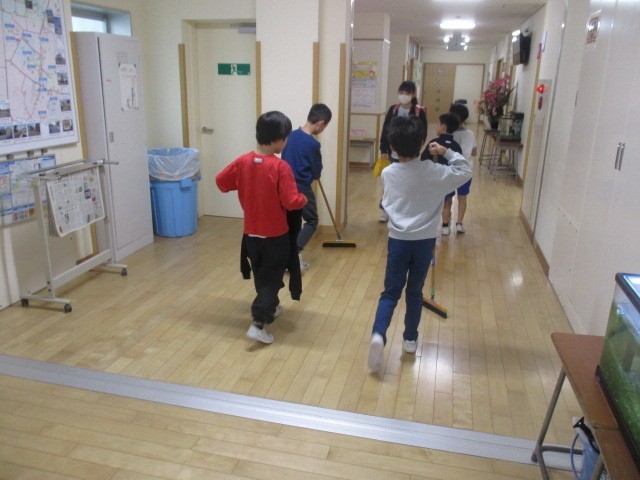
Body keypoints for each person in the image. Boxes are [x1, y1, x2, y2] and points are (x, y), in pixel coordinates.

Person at [368, 116, 471, 373]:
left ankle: (378, 334)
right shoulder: (435, 171)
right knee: (414, 292)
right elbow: (465, 171)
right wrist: (445, 151)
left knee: (390, 293)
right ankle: (410, 340)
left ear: (393, 147)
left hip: (398, 241)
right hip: (424, 242)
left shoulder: (388, 173)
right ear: (423, 142)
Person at [216, 111, 307, 345]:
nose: (286, 142)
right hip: (275, 236)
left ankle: (271, 307)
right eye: (286, 138)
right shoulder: (280, 167)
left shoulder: (242, 162)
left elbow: (221, 182)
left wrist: (246, 184)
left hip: (251, 234)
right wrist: (303, 199)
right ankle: (258, 323)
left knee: (261, 274)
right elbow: (290, 201)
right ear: (278, 139)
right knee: (272, 278)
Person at [281, 103, 332, 271]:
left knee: (290, 222)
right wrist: (314, 173)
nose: (323, 130)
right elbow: (316, 172)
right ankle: (292, 256)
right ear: (320, 123)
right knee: (312, 221)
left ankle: (287, 257)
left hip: (284, 186)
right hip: (302, 188)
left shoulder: (290, 135)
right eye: (324, 127)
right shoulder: (312, 144)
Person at [377, 80, 427, 222]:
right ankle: (386, 210)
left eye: (407, 93)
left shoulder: (419, 111)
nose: (403, 95)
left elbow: (422, 132)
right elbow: (386, 130)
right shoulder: (393, 109)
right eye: (401, 92)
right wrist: (383, 149)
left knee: (408, 181)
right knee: (390, 182)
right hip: (393, 152)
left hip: (411, 153)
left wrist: (417, 149)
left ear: (413, 94)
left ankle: (406, 209)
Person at [448, 102, 477, 234]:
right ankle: (459, 223)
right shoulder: (470, 133)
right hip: (466, 170)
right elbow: (474, 152)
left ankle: (446, 221)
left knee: (448, 197)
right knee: (462, 197)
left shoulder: (449, 133)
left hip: (450, 170)